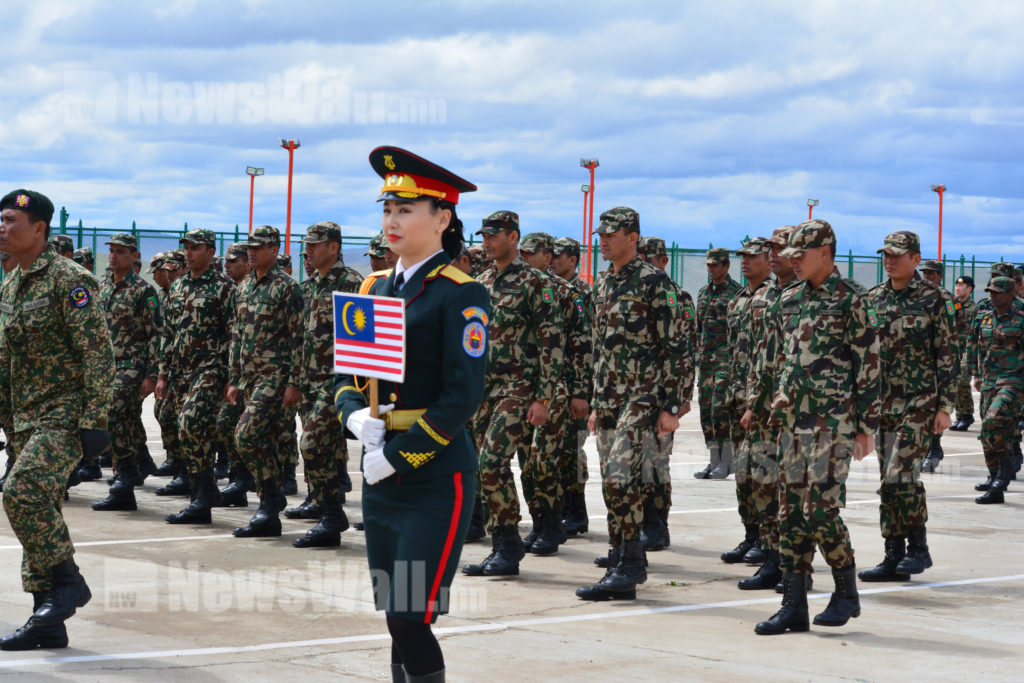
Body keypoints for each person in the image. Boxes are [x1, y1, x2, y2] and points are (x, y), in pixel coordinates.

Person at [332, 146, 488, 682]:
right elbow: (347, 376)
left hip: (433, 476)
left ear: (442, 218)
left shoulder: (460, 294)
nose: (391, 221)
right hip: (380, 475)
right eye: (386, 210)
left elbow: (462, 396)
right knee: (394, 614)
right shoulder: (373, 288)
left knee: (410, 614)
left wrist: (400, 457)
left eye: (405, 210)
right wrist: (354, 417)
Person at [0, 189, 113, 651]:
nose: (2, 227)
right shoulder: (11, 283)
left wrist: (96, 418)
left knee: (21, 491)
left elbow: (97, 353)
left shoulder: (71, 280)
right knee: (38, 509)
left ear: (39, 229)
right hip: (24, 416)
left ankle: (68, 583)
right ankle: (46, 619)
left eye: (10, 220)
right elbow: (5, 356)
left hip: (64, 411)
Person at [754, 219, 880, 635]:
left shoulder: (852, 299)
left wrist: (866, 428)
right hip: (791, 422)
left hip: (834, 423)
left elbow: (869, 365)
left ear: (825, 252)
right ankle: (794, 605)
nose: (792, 262)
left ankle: (846, 591)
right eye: (789, 255)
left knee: (820, 511)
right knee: (790, 514)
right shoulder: (789, 298)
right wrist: (763, 406)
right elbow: (776, 358)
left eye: (800, 255)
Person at [576, 208, 689, 602]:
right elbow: (600, 349)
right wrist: (595, 402)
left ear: (633, 237)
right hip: (609, 398)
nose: (603, 240)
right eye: (601, 234)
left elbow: (677, 347)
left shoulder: (655, 283)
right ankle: (621, 556)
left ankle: (631, 564)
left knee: (621, 476)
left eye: (611, 234)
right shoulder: (603, 284)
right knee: (611, 482)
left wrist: (672, 407)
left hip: (643, 396)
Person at [461, 211, 563, 578]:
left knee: (492, 462)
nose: (486, 242)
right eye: (484, 236)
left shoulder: (536, 283)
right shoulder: (481, 282)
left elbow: (553, 342)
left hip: (519, 389)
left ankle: (508, 546)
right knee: (482, 467)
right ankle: (501, 545)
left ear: (513, 237)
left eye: (494, 235)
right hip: (484, 390)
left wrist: (544, 398)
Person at [859, 232, 955, 583]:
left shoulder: (936, 299)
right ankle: (893, 555)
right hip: (883, 404)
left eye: (897, 255)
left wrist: (945, 406)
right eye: (886, 255)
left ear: (915, 259)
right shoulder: (873, 298)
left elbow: (947, 354)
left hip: (920, 401)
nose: (890, 261)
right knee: (888, 481)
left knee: (900, 473)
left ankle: (919, 547)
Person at [225, 225, 304, 537]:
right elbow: (237, 335)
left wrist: (294, 383)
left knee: (245, 435)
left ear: (274, 249)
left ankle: (271, 498)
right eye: (250, 247)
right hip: (249, 378)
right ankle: (269, 514)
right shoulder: (244, 286)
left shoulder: (287, 288)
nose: (252, 252)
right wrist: (234, 378)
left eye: (259, 247)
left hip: (276, 376)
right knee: (263, 440)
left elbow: (299, 339)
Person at [291, 220, 363, 547]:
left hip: (337, 382)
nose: (307, 250)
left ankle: (332, 514)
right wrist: (295, 381)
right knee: (327, 450)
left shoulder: (352, 284)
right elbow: (300, 338)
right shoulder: (309, 286)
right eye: (306, 244)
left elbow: (363, 338)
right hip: (310, 381)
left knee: (311, 443)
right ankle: (327, 516)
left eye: (313, 245)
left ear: (333, 247)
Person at [156, 229, 235, 523]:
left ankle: (205, 491)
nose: (188, 253)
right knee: (185, 431)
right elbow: (169, 333)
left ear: (210, 252)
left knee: (190, 424)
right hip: (181, 371)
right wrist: (163, 375)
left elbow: (234, 334)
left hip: (211, 369)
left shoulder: (225, 287)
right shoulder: (177, 286)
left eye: (195, 248)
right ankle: (200, 495)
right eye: (186, 248)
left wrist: (232, 376)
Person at [739, 225, 798, 591]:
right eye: (771, 249)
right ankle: (772, 555)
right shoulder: (765, 294)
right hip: (764, 406)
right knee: (760, 482)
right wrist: (752, 402)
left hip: (798, 409)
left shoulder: (809, 294)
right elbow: (760, 354)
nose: (774, 254)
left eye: (781, 248)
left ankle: (795, 566)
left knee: (794, 492)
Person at [518, 231, 584, 555]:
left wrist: (580, 391)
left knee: (544, 460)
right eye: (523, 253)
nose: (525, 259)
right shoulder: (518, 287)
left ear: (547, 257)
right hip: (521, 387)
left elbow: (581, 345)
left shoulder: (565, 293)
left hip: (557, 387)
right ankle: (539, 523)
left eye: (532, 253)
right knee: (526, 462)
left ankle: (554, 525)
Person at [91, 234, 163, 512]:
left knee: (112, 412)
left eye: (120, 251)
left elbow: (155, 334)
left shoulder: (144, 291)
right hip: (106, 366)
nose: (113, 256)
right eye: (111, 251)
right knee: (127, 420)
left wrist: (152, 375)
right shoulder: (103, 287)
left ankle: (127, 471)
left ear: (134, 256)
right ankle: (129, 477)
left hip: (132, 366)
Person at [636, 236, 695, 551]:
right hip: (634, 395)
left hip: (662, 394)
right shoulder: (635, 290)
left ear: (663, 260)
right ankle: (639, 528)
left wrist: (681, 398)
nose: (645, 262)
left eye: (650, 257)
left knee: (655, 463)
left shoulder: (677, 296)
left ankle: (657, 527)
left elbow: (685, 350)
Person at [721, 237, 772, 566]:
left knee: (762, 473)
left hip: (762, 401)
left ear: (769, 259)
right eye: (743, 256)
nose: (745, 261)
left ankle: (768, 540)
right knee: (742, 473)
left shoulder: (775, 297)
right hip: (738, 398)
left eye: (752, 256)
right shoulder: (738, 300)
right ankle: (750, 534)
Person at [967, 276, 1024, 504]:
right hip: (989, 381)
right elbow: (978, 347)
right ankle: (995, 481)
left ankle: (1005, 470)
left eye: (997, 292)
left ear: (1010, 294)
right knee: (990, 433)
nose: (992, 295)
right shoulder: (986, 318)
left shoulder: (1021, 318)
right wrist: (977, 375)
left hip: (1013, 381)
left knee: (992, 421)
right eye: (990, 291)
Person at [550, 236, 593, 536]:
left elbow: (586, 343)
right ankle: (564, 509)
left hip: (576, 381)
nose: (553, 260)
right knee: (555, 451)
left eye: (559, 256)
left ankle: (577, 512)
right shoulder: (550, 288)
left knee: (572, 450)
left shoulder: (582, 293)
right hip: (556, 383)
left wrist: (582, 390)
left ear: (573, 259)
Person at [694, 247, 742, 479]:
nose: (711, 269)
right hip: (706, 362)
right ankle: (713, 461)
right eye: (709, 265)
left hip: (725, 360)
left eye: (715, 265)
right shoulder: (703, 293)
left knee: (720, 410)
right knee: (705, 411)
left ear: (726, 266)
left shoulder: (737, 293)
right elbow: (698, 328)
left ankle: (727, 461)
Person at [948, 275, 977, 432]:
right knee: (954, 382)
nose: (957, 288)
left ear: (969, 289)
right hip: (953, 349)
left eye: (961, 286)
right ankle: (960, 416)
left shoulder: (974, 308)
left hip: (968, 349)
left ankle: (967, 415)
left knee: (963, 379)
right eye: (956, 286)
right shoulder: (952, 305)